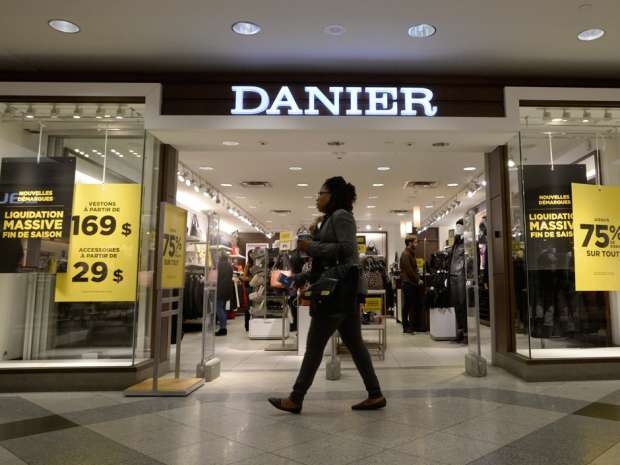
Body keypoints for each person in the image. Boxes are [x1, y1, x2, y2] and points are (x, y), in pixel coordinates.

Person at [268, 176, 385, 414]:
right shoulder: (330, 219)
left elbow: (348, 252)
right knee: (355, 345)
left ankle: (296, 398)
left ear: (332, 196)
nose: (317, 198)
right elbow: (324, 264)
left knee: (314, 348)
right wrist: (297, 278)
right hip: (343, 292)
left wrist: (311, 247)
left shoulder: (341, 216)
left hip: (335, 294)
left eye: (320, 193)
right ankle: (375, 394)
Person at [400, 234, 422, 334]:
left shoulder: (410, 253)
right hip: (408, 283)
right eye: (415, 242)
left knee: (409, 305)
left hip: (409, 282)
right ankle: (406, 327)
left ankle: (409, 326)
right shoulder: (406, 254)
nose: (416, 244)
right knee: (408, 305)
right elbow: (409, 270)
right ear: (410, 243)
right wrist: (417, 279)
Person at [216, 251, 234, 336]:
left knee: (219, 308)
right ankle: (223, 327)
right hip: (227, 290)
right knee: (223, 308)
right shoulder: (230, 266)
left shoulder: (219, 265)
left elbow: (217, 277)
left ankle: (223, 328)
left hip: (220, 289)